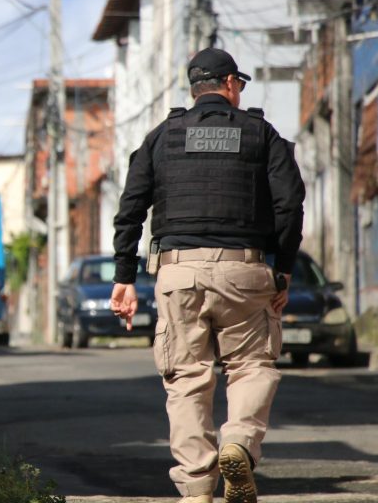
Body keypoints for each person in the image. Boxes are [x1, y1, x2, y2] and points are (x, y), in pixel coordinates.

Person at [110, 48, 305, 503]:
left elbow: (130, 208)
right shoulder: (262, 134)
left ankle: (197, 487)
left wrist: (124, 276)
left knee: (186, 378)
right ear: (231, 83)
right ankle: (237, 441)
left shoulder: (161, 137)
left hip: (178, 273)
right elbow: (289, 206)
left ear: (194, 88)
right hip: (246, 269)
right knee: (252, 365)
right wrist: (283, 269)